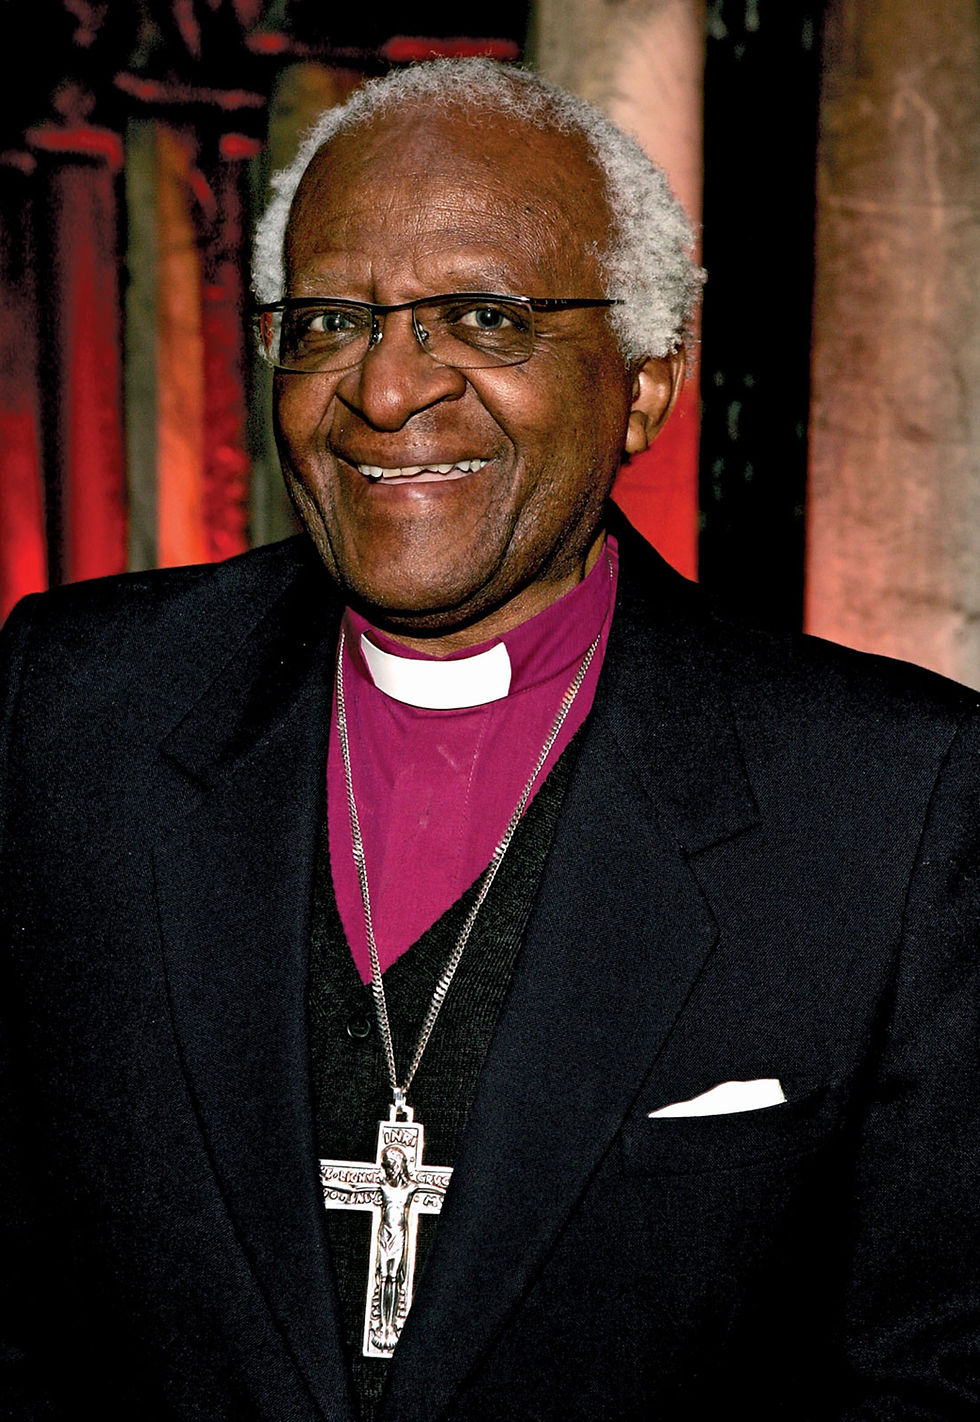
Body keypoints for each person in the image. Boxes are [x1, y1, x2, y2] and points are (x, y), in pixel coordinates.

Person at [2, 55, 979, 1422]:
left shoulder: (895, 802)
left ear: (645, 383)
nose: (388, 391)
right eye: (331, 320)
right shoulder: (72, 709)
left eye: (485, 318)